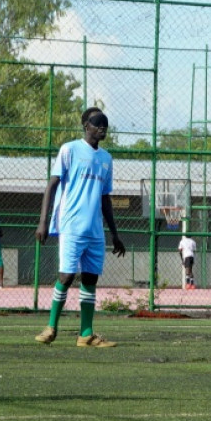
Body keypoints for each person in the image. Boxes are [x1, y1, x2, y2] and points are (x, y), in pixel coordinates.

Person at [34, 107, 127, 347]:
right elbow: (52, 186)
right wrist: (43, 221)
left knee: (90, 279)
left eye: (105, 123)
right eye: (98, 123)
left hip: (95, 230)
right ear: (86, 125)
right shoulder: (70, 150)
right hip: (71, 225)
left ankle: (86, 334)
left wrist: (115, 234)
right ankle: (51, 327)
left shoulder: (106, 159)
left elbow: (105, 198)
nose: (102, 127)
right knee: (66, 276)